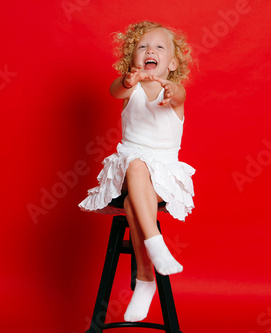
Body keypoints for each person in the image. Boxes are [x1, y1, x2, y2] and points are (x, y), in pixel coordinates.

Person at [79, 21, 195, 322]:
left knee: (134, 200)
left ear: (171, 63)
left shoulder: (175, 92)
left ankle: (145, 278)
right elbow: (115, 90)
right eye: (142, 47)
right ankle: (156, 248)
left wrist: (172, 91)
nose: (149, 50)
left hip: (164, 176)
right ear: (133, 59)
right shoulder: (130, 90)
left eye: (158, 47)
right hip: (129, 171)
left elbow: (179, 95)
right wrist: (129, 81)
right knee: (135, 163)